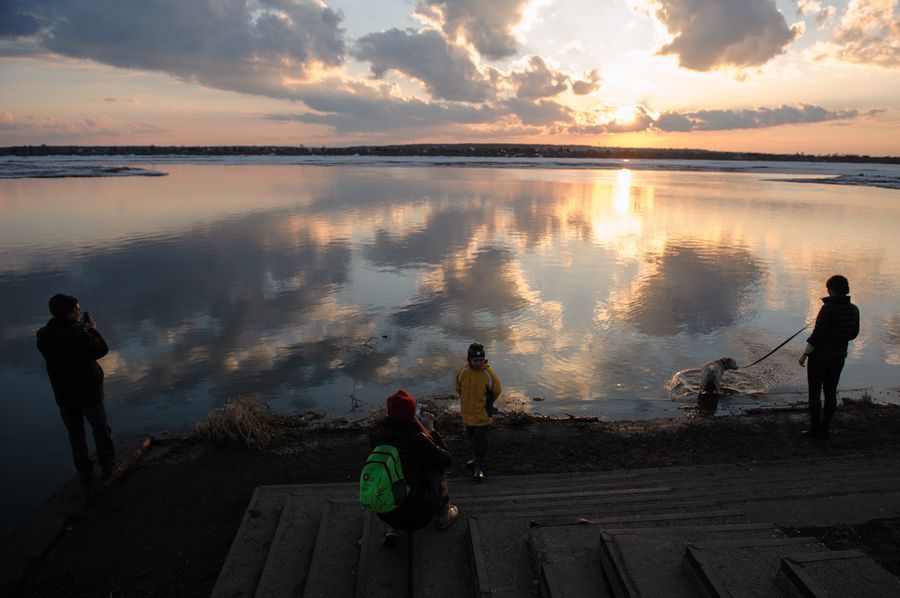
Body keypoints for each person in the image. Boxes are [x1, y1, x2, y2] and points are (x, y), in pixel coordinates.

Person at [36, 294, 115, 484]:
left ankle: (85, 473)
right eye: (77, 309)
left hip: (64, 394)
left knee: (76, 435)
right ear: (70, 313)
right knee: (100, 429)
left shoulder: (43, 335)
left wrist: (79, 329)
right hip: (88, 393)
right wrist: (92, 330)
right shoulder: (79, 335)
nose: (80, 312)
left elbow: (64, 346)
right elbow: (101, 350)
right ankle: (107, 466)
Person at [370, 390, 459, 542]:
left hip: (384, 510)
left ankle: (391, 528)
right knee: (437, 467)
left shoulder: (377, 437)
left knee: (386, 472)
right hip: (418, 516)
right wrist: (431, 430)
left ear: (389, 413)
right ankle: (443, 516)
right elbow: (447, 459)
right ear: (412, 414)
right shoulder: (418, 440)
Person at [798, 275, 860, 439]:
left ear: (832, 290)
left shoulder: (827, 309)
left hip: (820, 358)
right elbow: (853, 334)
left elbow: (817, 337)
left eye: (828, 288)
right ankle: (824, 429)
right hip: (839, 357)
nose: (827, 291)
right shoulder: (854, 309)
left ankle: (814, 429)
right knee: (831, 392)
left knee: (814, 392)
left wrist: (805, 354)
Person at [456, 343, 502, 482]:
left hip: (482, 416)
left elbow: (496, 390)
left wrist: (488, 403)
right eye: (475, 360)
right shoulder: (463, 372)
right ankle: (476, 459)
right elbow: (458, 387)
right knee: (471, 437)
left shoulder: (488, 374)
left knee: (480, 441)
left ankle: (479, 467)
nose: (478, 363)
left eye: (481, 360)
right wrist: (465, 401)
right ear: (469, 359)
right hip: (468, 415)